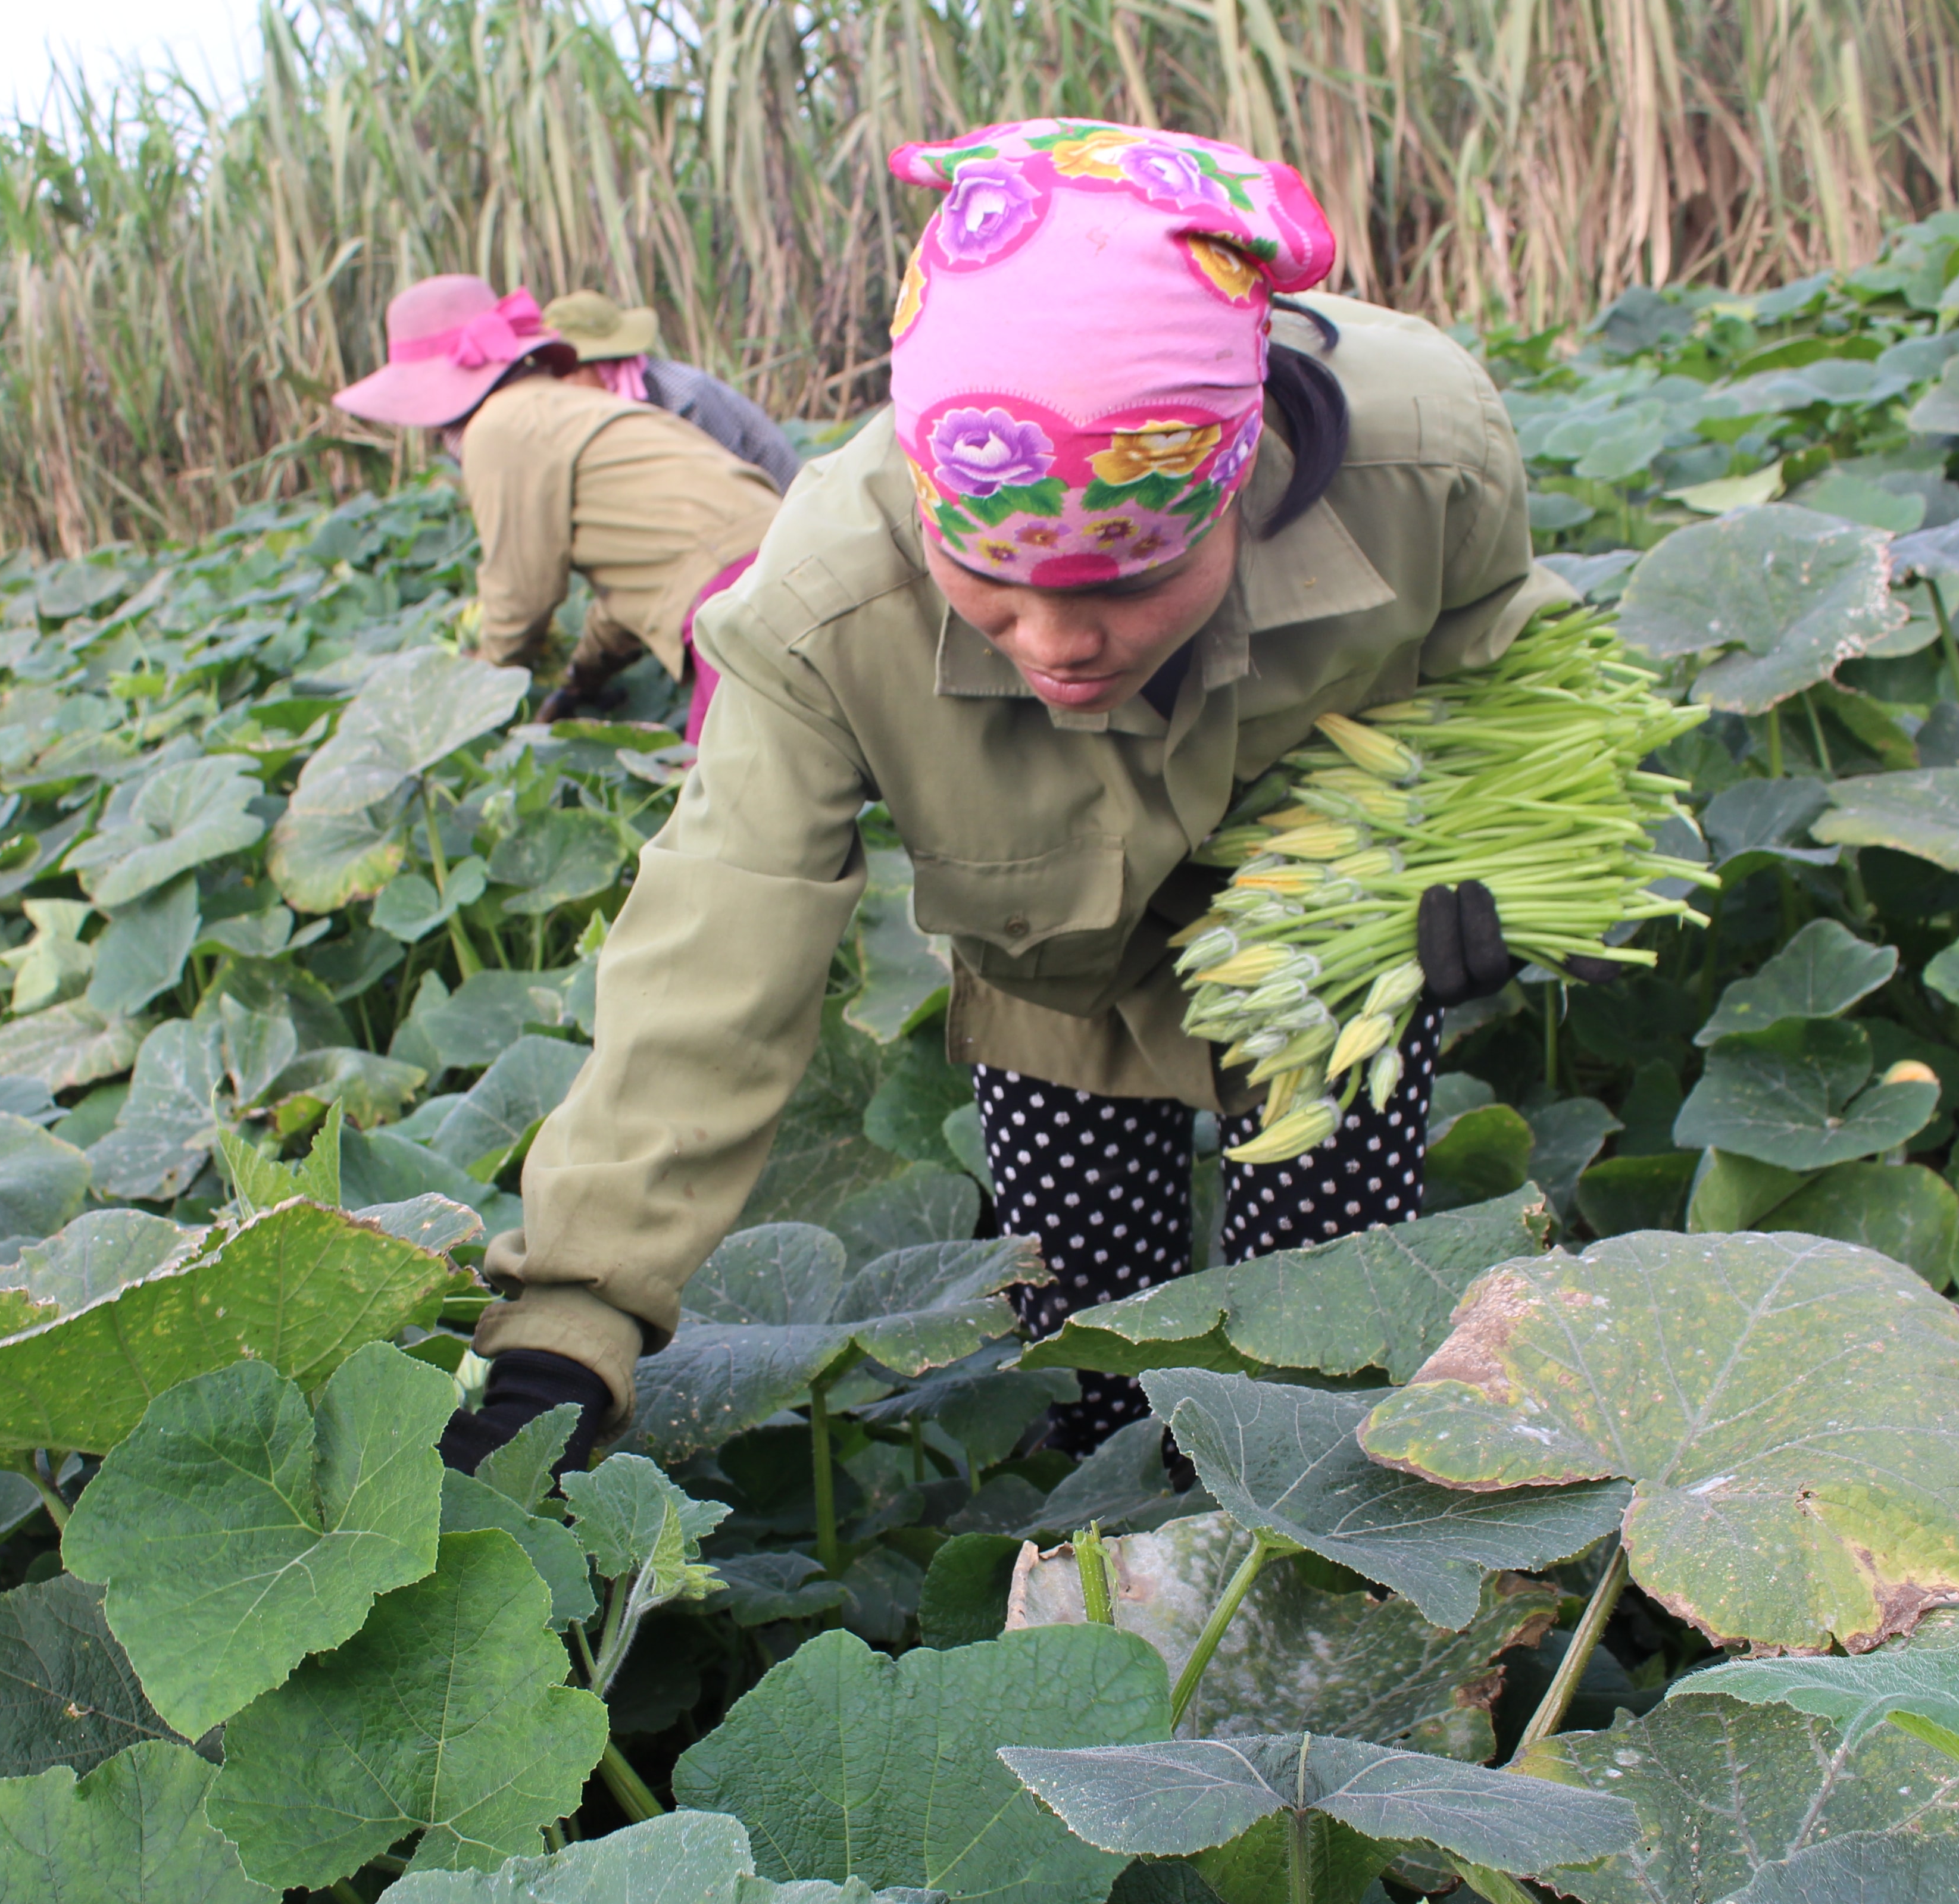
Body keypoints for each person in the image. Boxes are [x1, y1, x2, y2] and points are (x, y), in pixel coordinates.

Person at [442, 120, 1561, 1476]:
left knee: (1331, 1378)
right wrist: (572, 1313)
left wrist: (1504, 831)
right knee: (1086, 1359)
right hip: (1055, 978)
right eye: (993, 581)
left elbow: (1516, 657)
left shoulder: (1421, 457)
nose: (1053, 642)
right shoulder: (821, 598)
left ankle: (1327, 1589)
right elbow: (717, 927)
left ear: (1233, 487)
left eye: (1122, 582)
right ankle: (1115, 1563)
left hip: (1327, 948)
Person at [333, 277, 780, 736]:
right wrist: (579, 682)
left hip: (736, 606)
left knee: (725, 801)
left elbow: (522, 594)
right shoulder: (577, 406)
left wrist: (477, 681)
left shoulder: (498, 427)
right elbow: (644, 585)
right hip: (788, 563)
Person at [542, 290, 804, 490]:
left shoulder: (684, 397)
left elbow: (730, 482)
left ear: (606, 366)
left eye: (571, 372)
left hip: (772, 502)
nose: (562, 385)